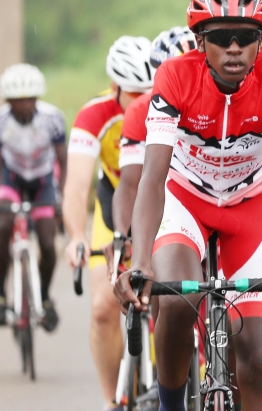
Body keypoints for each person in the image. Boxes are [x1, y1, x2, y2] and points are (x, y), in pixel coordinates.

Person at [113, 0, 262, 411]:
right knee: (177, 303)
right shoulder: (175, 76)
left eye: (246, 37)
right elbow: (153, 176)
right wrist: (139, 261)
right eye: (220, 38)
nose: (234, 48)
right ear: (200, 41)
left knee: (257, 360)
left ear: (261, 41)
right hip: (185, 203)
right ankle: (170, 405)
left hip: (250, 207)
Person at [62, 35, 154, 410]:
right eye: (134, 93)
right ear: (115, 87)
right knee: (102, 306)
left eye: (150, 90)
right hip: (114, 200)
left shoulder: (168, 105)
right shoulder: (94, 115)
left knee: (171, 298)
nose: (143, 101)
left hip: (161, 200)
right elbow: (76, 186)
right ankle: (111, 400)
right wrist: (74, 236)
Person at [113, 26, 198, 243]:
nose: (180, 83)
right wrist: (122, 236)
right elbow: (131, 185)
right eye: (169, 75)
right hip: (168, 201)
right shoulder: (139, 110)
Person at [0, 63, 67, 329]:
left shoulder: (52, 118)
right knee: (3, 225)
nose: (25, 105)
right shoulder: (2, 120)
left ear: (37, 97)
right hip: (11, 178)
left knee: (49, 243)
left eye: (30, 98)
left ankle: (44, 296)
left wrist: (60, 197)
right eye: (18, 100)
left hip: (42, 180)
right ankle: (2, 293)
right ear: (9, 101)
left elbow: (63, 158)